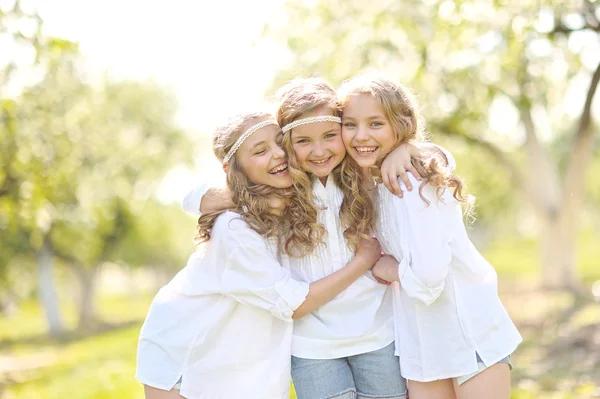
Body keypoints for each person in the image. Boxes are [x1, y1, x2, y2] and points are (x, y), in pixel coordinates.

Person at [183, 78, 452, 399]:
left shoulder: (364, 173)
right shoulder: (280, 189)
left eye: (329, 136)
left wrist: (408, 147)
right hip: (312, 346)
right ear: (287, 144)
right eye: (304, 141)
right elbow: (191, 197)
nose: (320, 150)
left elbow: (442, 159)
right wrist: (243, 196)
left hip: (378, 334)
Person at [136, 110, 383, 399]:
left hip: (235, 362)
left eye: (280, 143)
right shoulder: (234, 227)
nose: (278, 154)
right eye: (260, 150)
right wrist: (363, 261)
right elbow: (293, 304)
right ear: (234, 168)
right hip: (186, 358)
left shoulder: (291, 199)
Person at [338, 73, 522, 399]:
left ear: (401, 125)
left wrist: (388, 268)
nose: (361, 135)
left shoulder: (411, 181)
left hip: (468, 329)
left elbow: (428, 277)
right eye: (350, 124)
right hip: (422, 342)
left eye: (376, 124)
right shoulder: (373, 184)